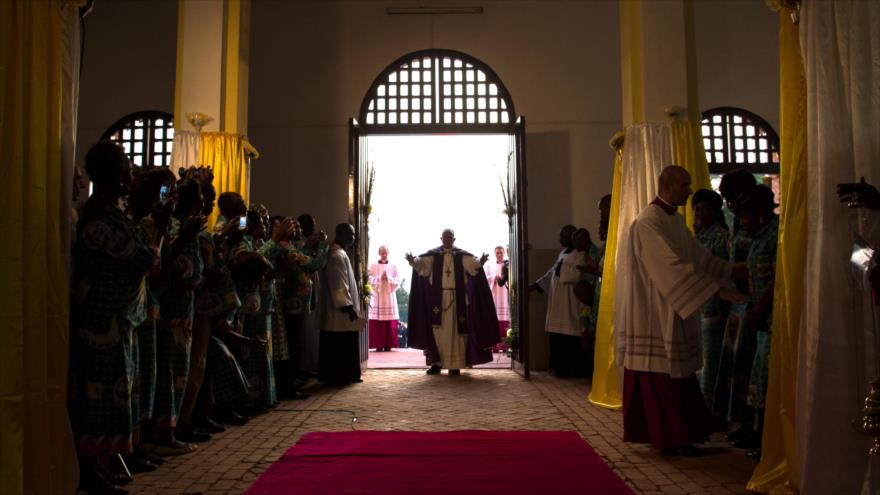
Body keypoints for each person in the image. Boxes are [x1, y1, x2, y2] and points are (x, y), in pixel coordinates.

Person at [615, 165, 748, 456]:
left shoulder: (672, 220)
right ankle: (672, 437)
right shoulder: (648, 222)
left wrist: (728, 269)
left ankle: (682, 434)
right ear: (669, 185)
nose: (690, 191)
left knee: (677, 373)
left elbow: (697, 256)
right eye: (685, 185)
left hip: (670, 307)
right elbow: (671, 268)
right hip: (653, 312)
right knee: (661, 373)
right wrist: (719, 290)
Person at [69, 141, 169, 493]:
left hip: (117, 322)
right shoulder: (100, 220)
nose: (132, 175)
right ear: (112, 175)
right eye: (127, 168)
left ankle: (99, 464)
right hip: (100, 325)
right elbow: (147, 260)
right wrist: (160, 228)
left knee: (114, 396)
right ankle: (88, 470)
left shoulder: (112, 216)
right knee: (97, 399)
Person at [406, 229, 500, 375]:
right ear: (441, 238)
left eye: (450, 237)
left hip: (459, 299)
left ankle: (455, 365)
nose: (447, 240)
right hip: (438, 299)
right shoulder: (434, 255)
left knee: (458, 332)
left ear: (454, 239)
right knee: (437, 331)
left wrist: (480, 262)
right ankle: (437, 363)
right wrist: (413, 262)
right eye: (445, 237)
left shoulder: (461, 255)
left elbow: (473, 267)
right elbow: (422, 266)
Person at [733, 184, 779, 458]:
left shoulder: (775, 235)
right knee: (758, 379)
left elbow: (776, 279)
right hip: (759, 318)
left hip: (772, 318)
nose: (742, 223)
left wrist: (760, 309)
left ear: (760, 213)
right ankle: (758, 432)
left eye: (746, 217)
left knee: (768, 380)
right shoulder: (758, 237)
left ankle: (767, 440)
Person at [691, 188, 731, 423]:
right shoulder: (698, 237)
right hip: (697, 305)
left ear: (716, 211)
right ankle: (699, 407)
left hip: (714, 306)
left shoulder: (721, 236)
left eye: (704, 208)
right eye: (696, 208)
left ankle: (713, 410)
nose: (699, 212)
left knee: (713, 359)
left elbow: (724, 272)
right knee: (700, 359)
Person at [530, 225, 584, 376]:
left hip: (569, 301)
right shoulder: (562, 253)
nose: (560, 239)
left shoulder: (579, 254)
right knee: (557, 336)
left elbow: (576, 275)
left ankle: (570, 370)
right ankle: (557, 368)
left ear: (571, 236)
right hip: (557, 300)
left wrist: (563, 270)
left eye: (563, 236)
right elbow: (551, 273)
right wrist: (535, 285)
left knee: (569, 335)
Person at [318, 223, 364, 385]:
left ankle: (346, 375)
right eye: (351, 234)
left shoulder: (340, 252)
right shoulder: (336, 255)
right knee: (341, 345)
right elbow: (339, 283)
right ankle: (340, 376)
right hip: (338, 312)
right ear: (342, 234)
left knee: (345, 343)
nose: (353, 238)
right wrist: (347, 306)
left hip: (340, 311)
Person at [368, 245, 401, 351]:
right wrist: (379, 278)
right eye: (382, 252)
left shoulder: (393, 266)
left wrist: (389, 278)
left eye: (385, 252)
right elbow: (369, 279)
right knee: (378, 321)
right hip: (378, 296)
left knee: (389, 321)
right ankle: (378, 345)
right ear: (379, 253)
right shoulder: (373, 266)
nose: (384, 255)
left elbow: (398, 280)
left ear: (388, 253)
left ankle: (388, 345)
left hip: (389, 296)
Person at [483, 245, 510, 352]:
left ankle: (504, 346)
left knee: (505, 320)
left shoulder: (508, 265)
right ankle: (494, 346)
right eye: (497, 253)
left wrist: (503, 279)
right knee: (494, 319)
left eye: (501, 252)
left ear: (504, 253)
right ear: (495, 254)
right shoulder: (490, 266)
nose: (499, 254)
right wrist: (494, 277)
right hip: (494, 294)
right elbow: (485, 278)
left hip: (505, 294)